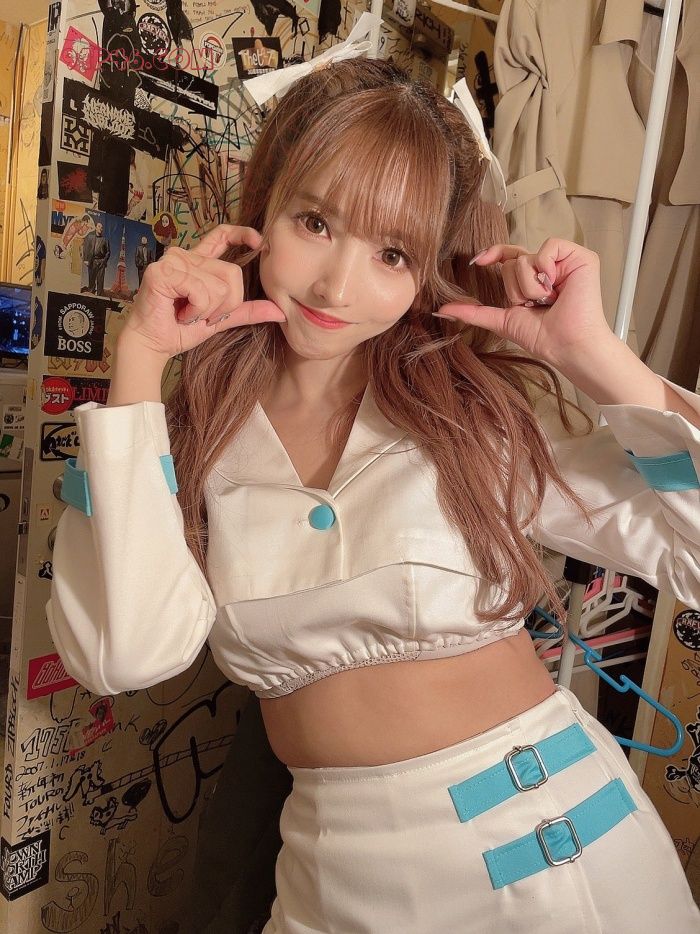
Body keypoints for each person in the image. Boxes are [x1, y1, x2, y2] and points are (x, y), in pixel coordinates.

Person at [47, 59, 700, 932]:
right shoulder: (192, 440)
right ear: (264, 208)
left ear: (425, 270)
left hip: (561, 869)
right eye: (315, 222)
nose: (337, 288)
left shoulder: (473, 421)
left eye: (392, 254)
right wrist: (139, 361)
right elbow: (124, 656)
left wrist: (594, 356)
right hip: (338, 886)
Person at [82, 221, 110, 295]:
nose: (101, 228)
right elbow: (85, 248)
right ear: (95, 228)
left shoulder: (105, 240)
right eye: (99, 226)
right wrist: (85, 259)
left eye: (102, 227)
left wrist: (104, 261)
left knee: (100, 281)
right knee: (91, 280)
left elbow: (108, 252)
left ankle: (99, 295)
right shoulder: (90, 237)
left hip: (101, 262)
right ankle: (91, 294)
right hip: (92, 261)